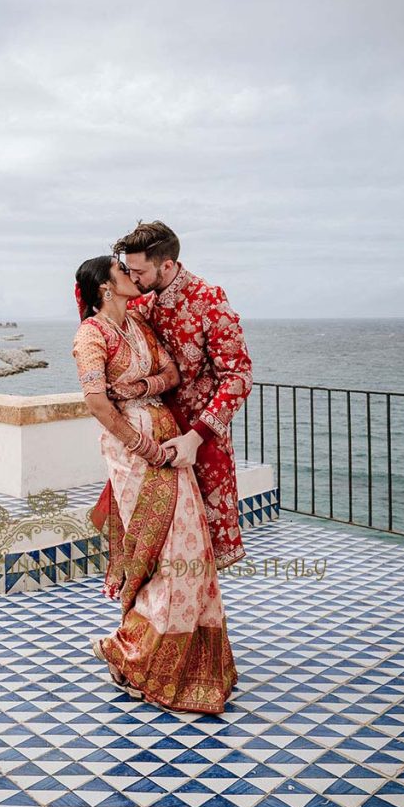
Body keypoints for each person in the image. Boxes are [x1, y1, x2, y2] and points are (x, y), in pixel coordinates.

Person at [72, 254, 239, 714]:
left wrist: (137, 387)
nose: (131, 275)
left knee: (191, 548)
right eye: (122, 271)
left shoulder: (139, 326)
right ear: (105, 287)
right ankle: (131, 653)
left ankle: (184, 662)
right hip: (133, 452)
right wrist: (142, 446)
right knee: (160, 552)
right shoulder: (91, 333)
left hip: (169, 440)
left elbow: (173, 374)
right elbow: (96, 403)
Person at [106, 219, 253, 572]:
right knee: (152, 548)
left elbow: (238, 376)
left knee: (199, 557)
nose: (134, 278)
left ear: (167, 265)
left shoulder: (209, 301)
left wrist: (196, 437)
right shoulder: (142, 304)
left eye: (139, 271)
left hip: (200, 442)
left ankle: (197, 627)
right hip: (153, 442)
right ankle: (151, 626)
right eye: (130, 270)